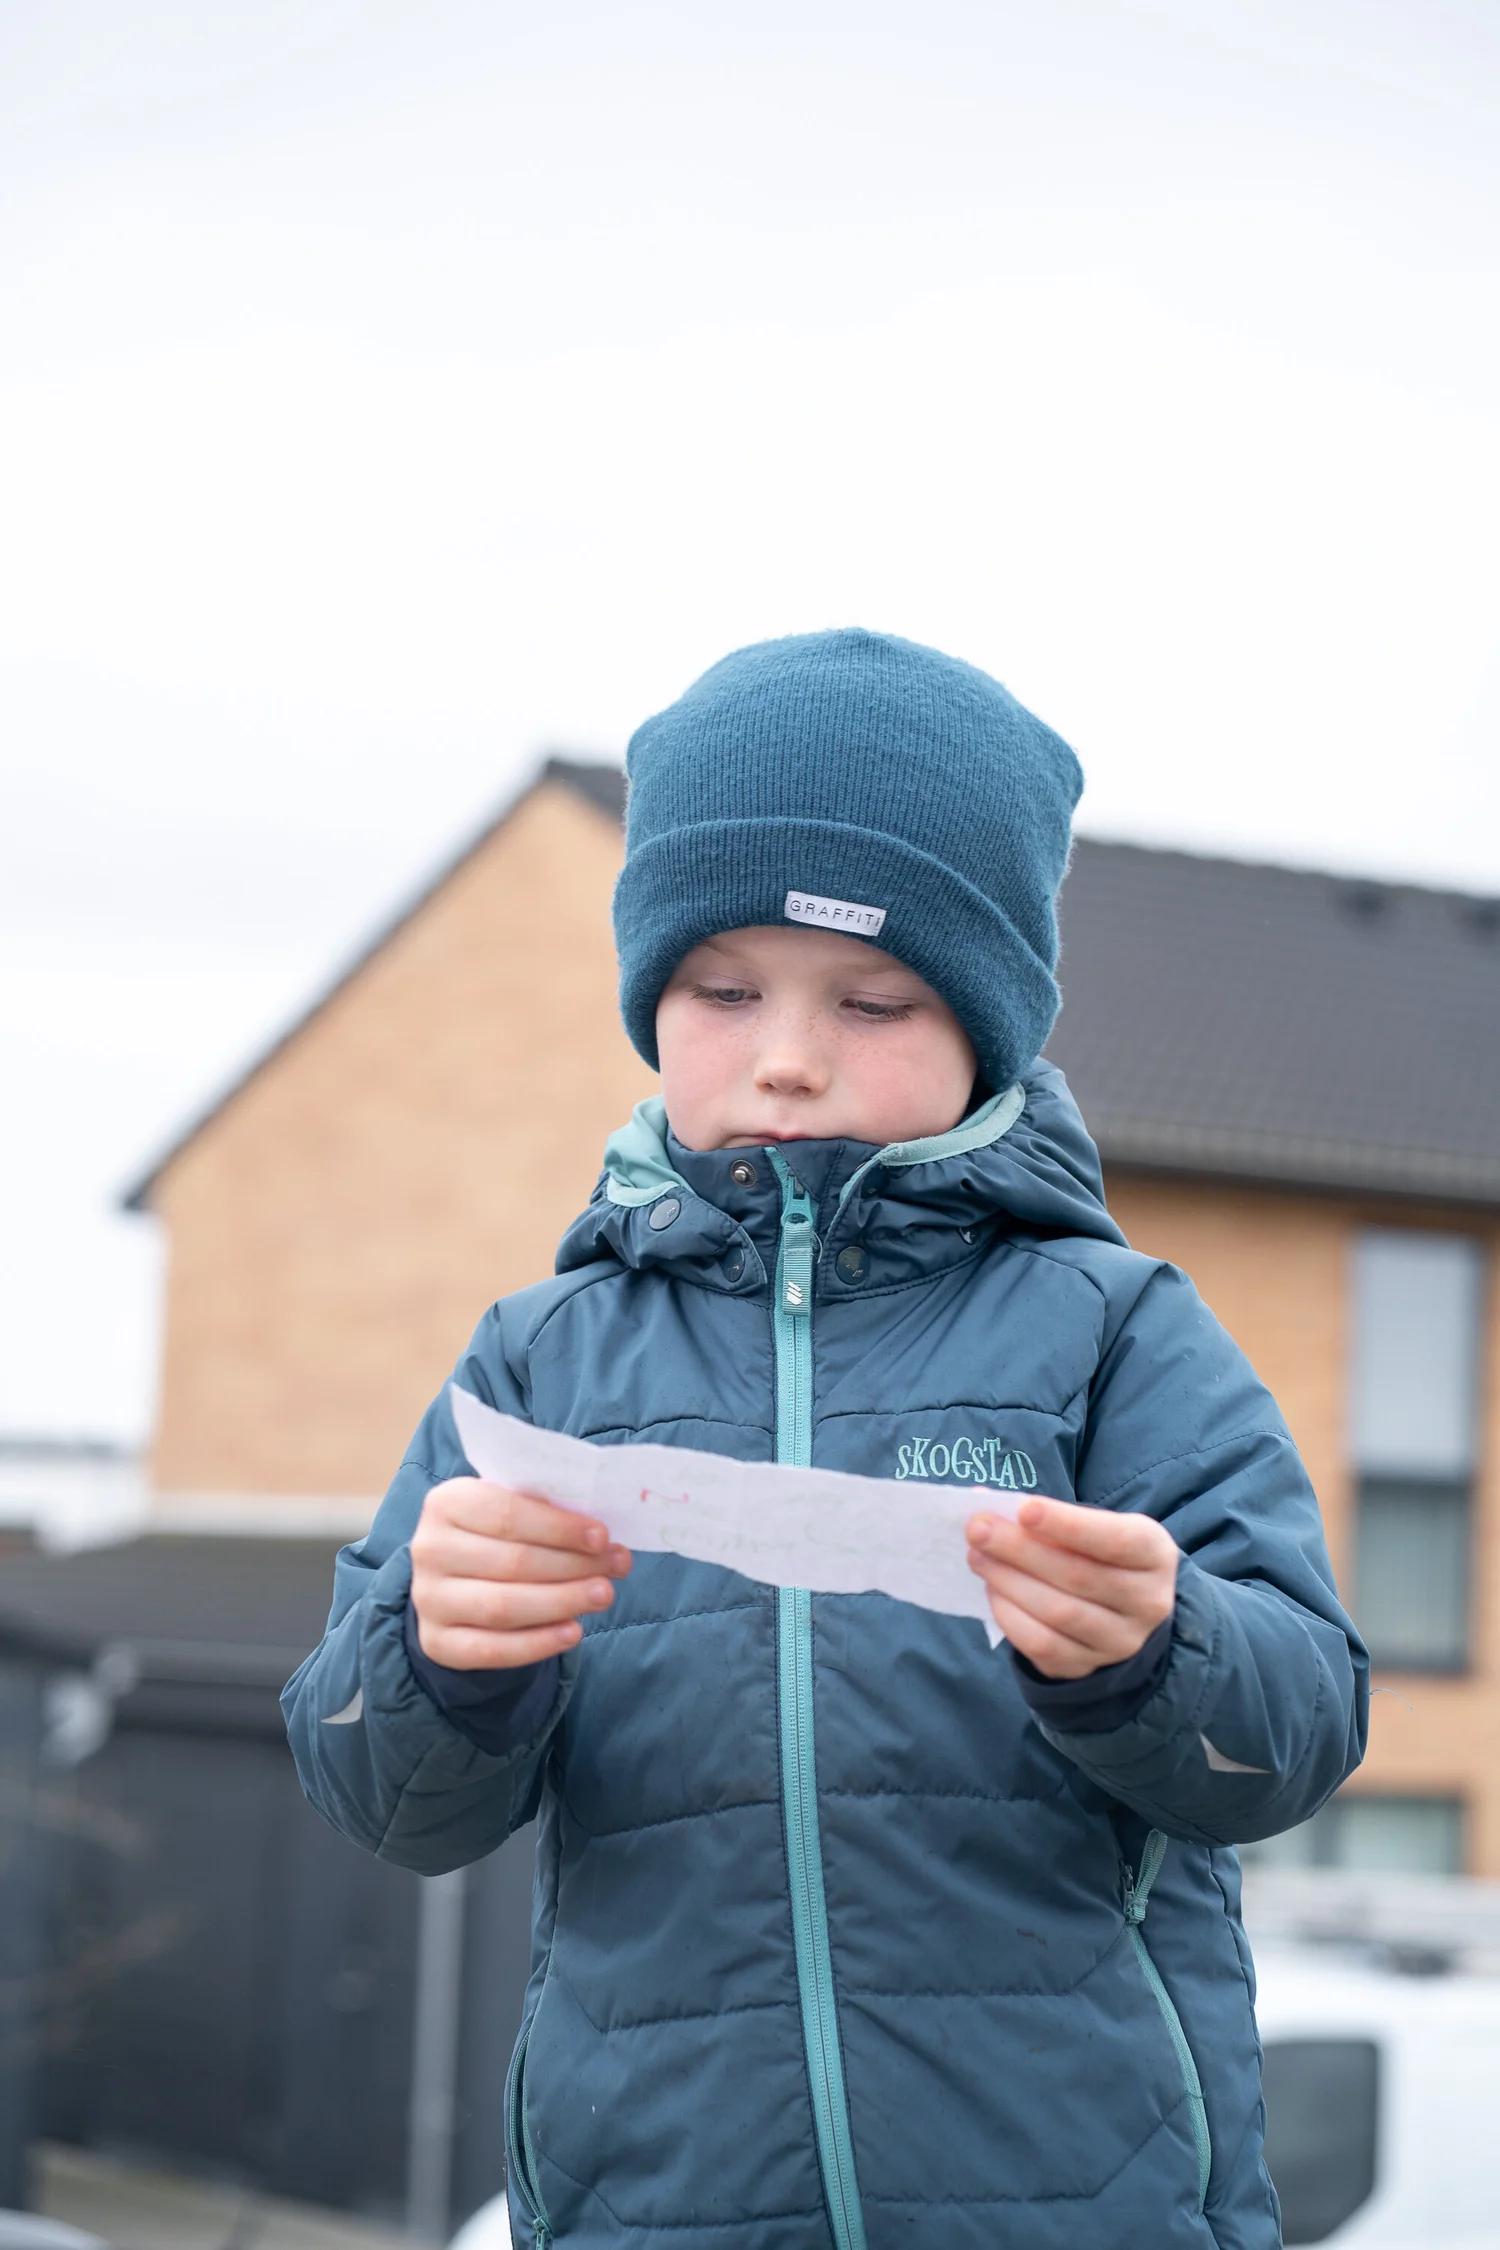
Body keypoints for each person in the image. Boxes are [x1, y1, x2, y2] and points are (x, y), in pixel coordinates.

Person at [283, 630, 1367, 2250]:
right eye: (724, 990)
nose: (787, 1054)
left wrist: (1161, 1649)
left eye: (873, 998)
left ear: (985, 1021)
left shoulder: (1115, 1328)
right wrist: (439, 1654)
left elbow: (1300, 1732)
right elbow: (383, 1796)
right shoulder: (542, 1357)